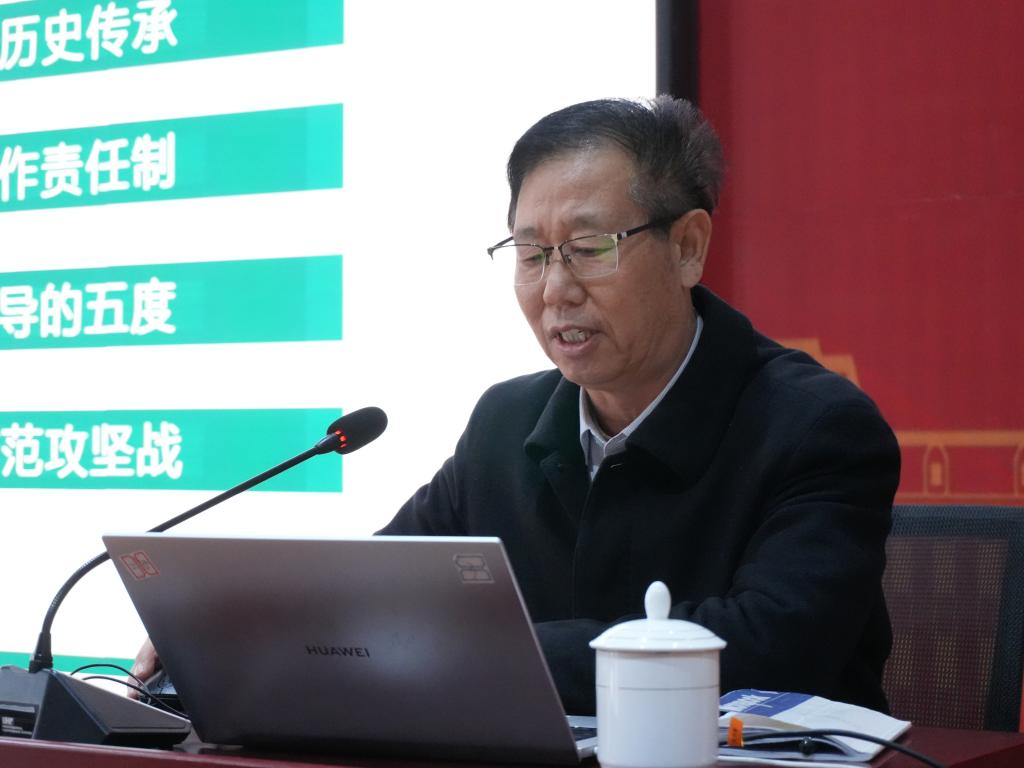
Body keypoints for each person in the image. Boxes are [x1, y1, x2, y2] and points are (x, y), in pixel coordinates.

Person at [135, 96, 900, 715]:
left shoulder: (813, 427)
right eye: (531, 254)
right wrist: (245, 622)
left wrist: (488, 655)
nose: (555, 289)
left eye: (589, 249)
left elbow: (771, 646)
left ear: (688, 247)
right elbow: (382, 586)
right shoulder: (506, 424)